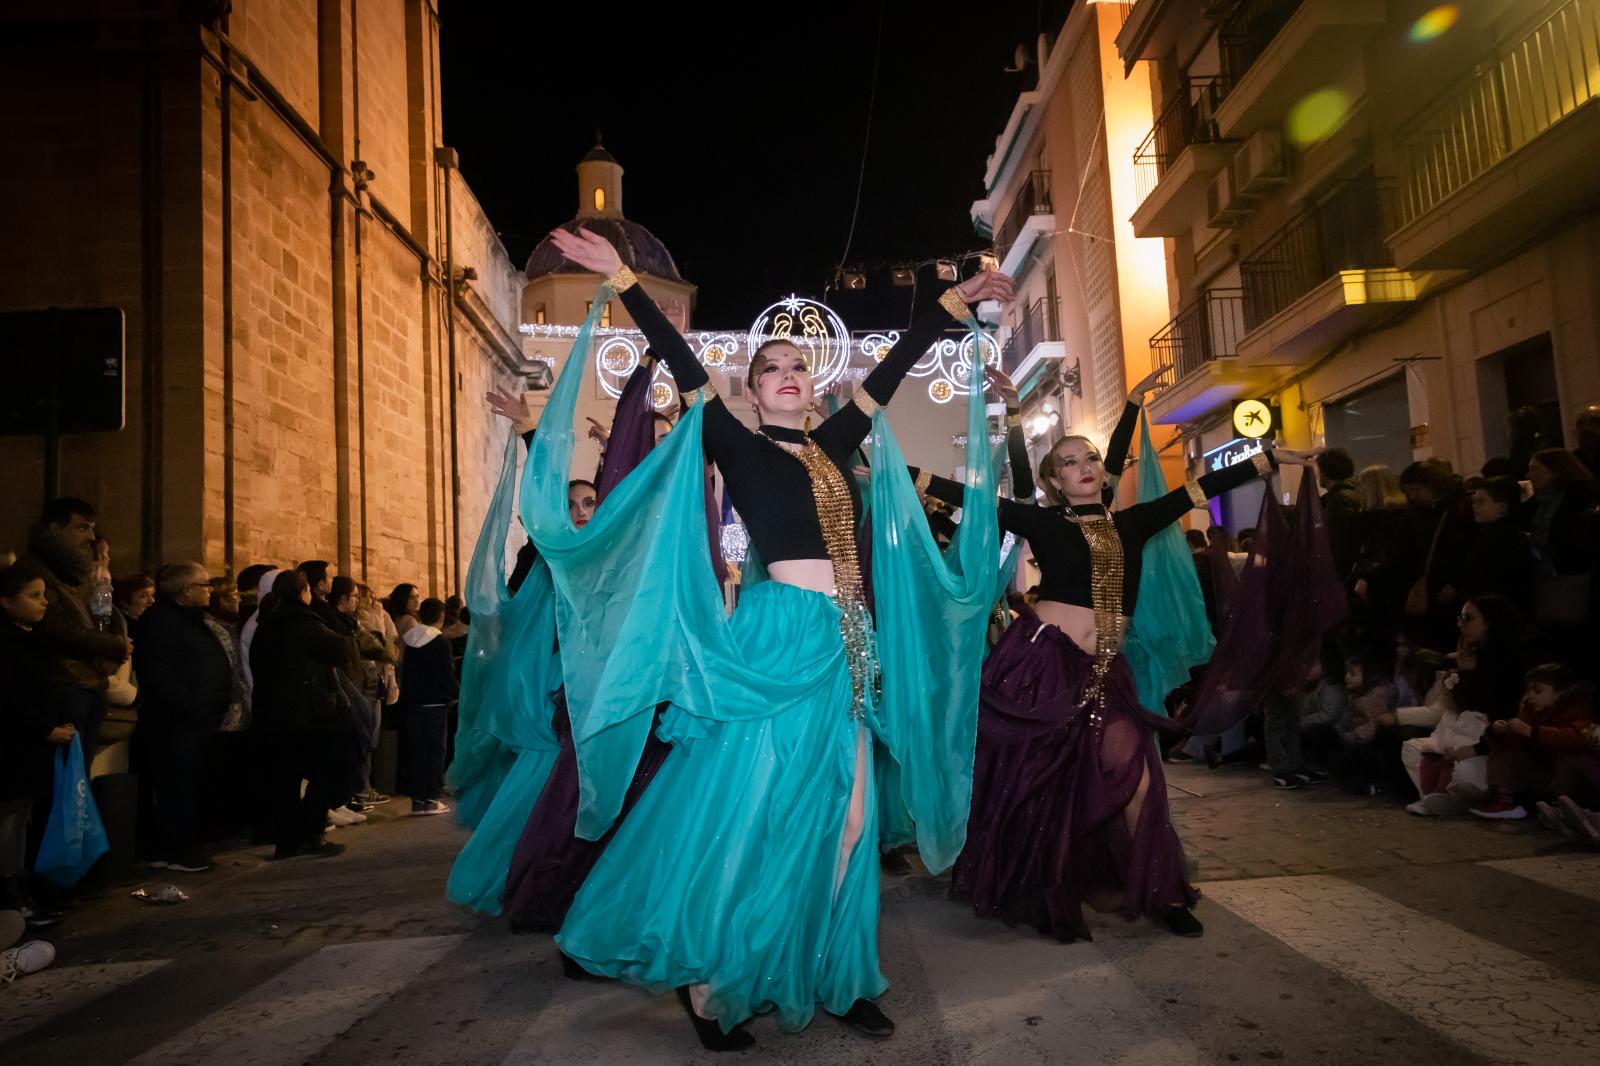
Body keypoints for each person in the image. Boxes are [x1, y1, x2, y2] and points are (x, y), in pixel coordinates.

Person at [535, 226, 1008, 1049]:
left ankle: (835, 969)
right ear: (751, 392)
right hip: (776, 642)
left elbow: (890, 376)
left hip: (846, 647)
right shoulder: (734, 441)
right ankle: (712, 978)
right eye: (771, 368)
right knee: (752, 813)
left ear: (814, 386)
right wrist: (620, 279)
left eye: (799, 366)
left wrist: (951, 304)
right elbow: (682, 364)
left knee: (852, 822)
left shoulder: (835, 446)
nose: (788, 374)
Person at [920, 404, 1316, 940]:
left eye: (1089, 457)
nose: (1083, 465)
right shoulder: (1042, 521)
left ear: (1102, 471)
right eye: (1069, 461)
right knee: (1046, 783)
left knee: (1138, 780)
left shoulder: (1133, 522)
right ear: (1056, 482)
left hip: (1106, 671)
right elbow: (964, 496)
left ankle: (1164, 893)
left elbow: (1194, 491)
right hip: (1044, 665)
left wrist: (1267, 459)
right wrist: (900, 474)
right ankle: (1047, 893)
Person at [131, 563, 234, 872]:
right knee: (176, 786)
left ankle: (181, 845)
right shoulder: (162, 622)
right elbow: (160, 674)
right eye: (204, 585)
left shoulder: (187, 619)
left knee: (189, 785)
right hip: (176, 722)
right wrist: (190, 706)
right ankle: (176, 850)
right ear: (185, 590)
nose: (210, 590)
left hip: (196, 720)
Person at [249, 570, 357, 860]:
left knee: (284, 780)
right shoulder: (304, 623)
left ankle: (287, 841)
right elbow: (342, 648)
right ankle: (309, 834)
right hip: (309, 715)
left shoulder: (266, 624)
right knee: (326, 773)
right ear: (304, 592)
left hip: (274, 714)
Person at [19, 498, 130, 765]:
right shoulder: (37, 570)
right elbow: (55, 627)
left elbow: (101, 618)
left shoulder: (79, 574)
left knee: (79, 777)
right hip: (65, 683)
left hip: (89, 682)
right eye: (82, 528)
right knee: (64, 776)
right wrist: (113, 646)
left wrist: (113, 641)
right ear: (55, 529)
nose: (91, 538)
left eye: (92, 529)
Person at [0, 563, 72, 929]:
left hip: (32, 746)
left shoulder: (28, 638)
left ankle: (22, 894)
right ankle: (11, 900)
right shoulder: (7, 643)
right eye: (34, 595)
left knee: (20, 822)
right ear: (6, 601)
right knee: (8, 825)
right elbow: (11, 698)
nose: (43, 602)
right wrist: (45, 728)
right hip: (13, 748)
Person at [1470, 665, 1593, 819]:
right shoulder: (1530, 709)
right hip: (1541, 772)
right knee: (1502, 751)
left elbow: (1577, 738)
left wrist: (1532, 732)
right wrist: (1500, 733)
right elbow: (1518, 743)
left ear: (1560, 692)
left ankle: (1562, 809)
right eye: (1528, 691)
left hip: (1568, 779)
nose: (1530, 696)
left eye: (1538, 691)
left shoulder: (1578, 708)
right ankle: (1505, 802)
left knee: (1572, 759)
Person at [398, 598, 457, 816]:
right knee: (435, 751)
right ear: (441, 617)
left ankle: (417, 800)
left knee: (416, 752)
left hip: (412, 703)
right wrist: (457, 694)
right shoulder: (440, 641)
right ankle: (432, 798)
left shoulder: (410, 640)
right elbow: (445, 674)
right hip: (434, 703)